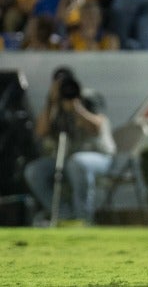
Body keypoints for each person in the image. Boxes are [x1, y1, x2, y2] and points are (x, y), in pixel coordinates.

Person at [24, 67, 115, 225]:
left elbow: (97, 128)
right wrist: (50, 102)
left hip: (99, 156)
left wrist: (77, 108)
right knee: (34, 171)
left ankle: (83, 219)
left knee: (77, 163)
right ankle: (65, 216)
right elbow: (40, 132)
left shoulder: (88, 97)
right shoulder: (54, 105)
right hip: (67, 159)